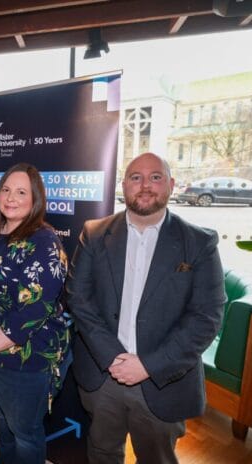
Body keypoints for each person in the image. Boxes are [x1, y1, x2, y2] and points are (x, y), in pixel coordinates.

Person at [66, 152, 226, 463]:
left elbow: (206, 318)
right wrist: (114, 357)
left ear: (171, 185)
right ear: (124, 184)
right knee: (102, 453)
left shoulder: (199, 243)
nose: (145, 185)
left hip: (163, 380)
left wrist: (148, 365)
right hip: (103, 375)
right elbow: (78, 299)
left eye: (155, 177)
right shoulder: (94, 233)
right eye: (136, 177)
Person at [0, 162, 70, 464]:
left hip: (24, 361)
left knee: (25, 433)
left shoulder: (44, 242)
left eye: (21, 192)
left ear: (35, 199)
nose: (11, 197)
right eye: (6, 189)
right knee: (4, 421)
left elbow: (32, 311)